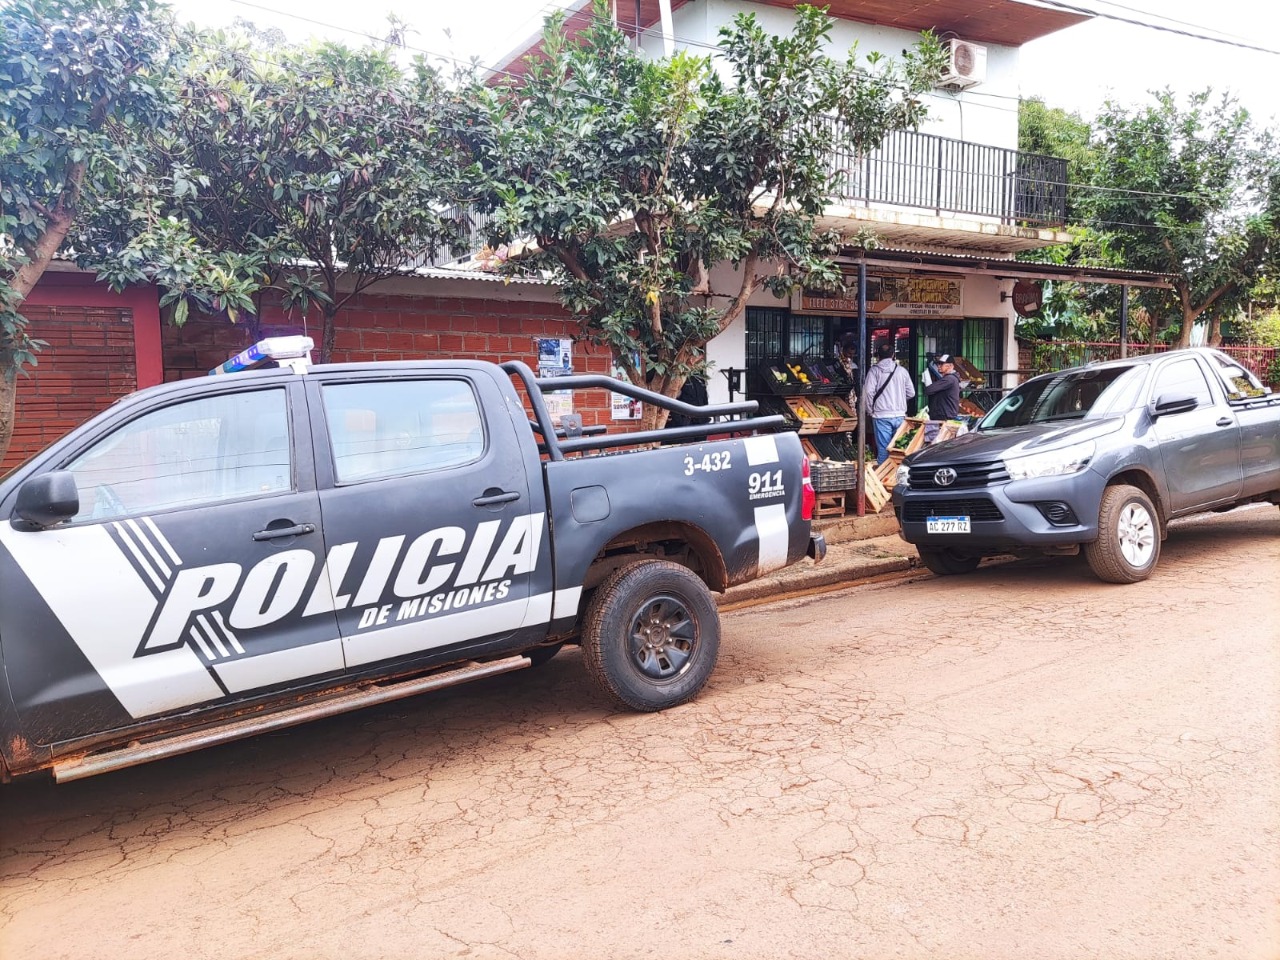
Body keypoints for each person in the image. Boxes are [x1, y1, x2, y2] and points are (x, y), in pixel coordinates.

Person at [861, 341, 915, 463]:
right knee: (899, 449)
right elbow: (911, 393)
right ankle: (897, 475)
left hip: (881, 415)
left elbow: (868, 392)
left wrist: (870, 410)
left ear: (878, 356)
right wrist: (899, 400)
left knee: (883, 449)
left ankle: (882, 477)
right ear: (893, 356)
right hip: (900, 415)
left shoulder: (874, 371)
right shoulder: (902, 371)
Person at [923, 353, 964, 421]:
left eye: (942, 364)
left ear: (950, 366)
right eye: (938, 364)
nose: (939, 366)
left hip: (945, 417)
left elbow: (929, 390)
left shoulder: (949, 379)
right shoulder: (949, 379)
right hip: (944, 415)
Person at [834, 333, 859, 410]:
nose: (851, 356)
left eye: (853, 354)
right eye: (849, 353)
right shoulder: (838, 363)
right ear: (843, 351)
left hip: (851, 394)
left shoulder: (854, 366)